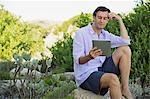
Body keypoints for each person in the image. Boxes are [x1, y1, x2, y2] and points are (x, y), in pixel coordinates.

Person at [73, 6, 133, 99]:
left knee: (125, 49)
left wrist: (120, 20)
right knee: (113, 79)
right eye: (99, 17)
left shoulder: (105, 34)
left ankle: (125, 88)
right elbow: (78, 60)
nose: (102, 21)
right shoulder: (81, 33)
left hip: (102, 68)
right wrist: (89, 56)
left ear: (108, 20)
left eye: (105, 18)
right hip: (87, 74)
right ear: (94, 18)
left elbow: (126, 41)